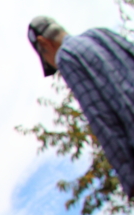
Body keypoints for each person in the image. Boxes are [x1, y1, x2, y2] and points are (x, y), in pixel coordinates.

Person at [28, 17, 134, 197]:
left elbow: (100, 116)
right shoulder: (100, 34)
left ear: (43, 42)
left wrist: (130, 178)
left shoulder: (66, 57)